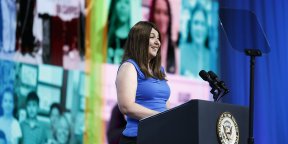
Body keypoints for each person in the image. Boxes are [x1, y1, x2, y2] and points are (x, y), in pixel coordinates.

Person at [116, 21, 171, 144]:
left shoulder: (160, 70)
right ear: (139, 40)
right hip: (137, 138)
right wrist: (161, 118)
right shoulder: (129, 67)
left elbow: (164, 104)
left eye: (158, 38)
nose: (158, 42)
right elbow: (126, 106)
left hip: (160, 136)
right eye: (152, 38)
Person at [180, 3, 210, 77]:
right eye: (196, 23)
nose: (199, 28)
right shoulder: (181, 52)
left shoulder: (213, 57)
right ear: (190, 26)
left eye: (202, 24)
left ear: (206, 28)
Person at [148, 0, 177, 74]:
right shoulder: (142, 45)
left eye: (165, 13)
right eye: (158, 12)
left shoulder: (175, 51)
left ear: (169, 17)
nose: (162, 18)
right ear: (152, 15)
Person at [107, 0, 131, 64]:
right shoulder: (103, 35)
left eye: (127, 2)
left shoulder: (137, 39)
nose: (122, 6)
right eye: (119, 1)